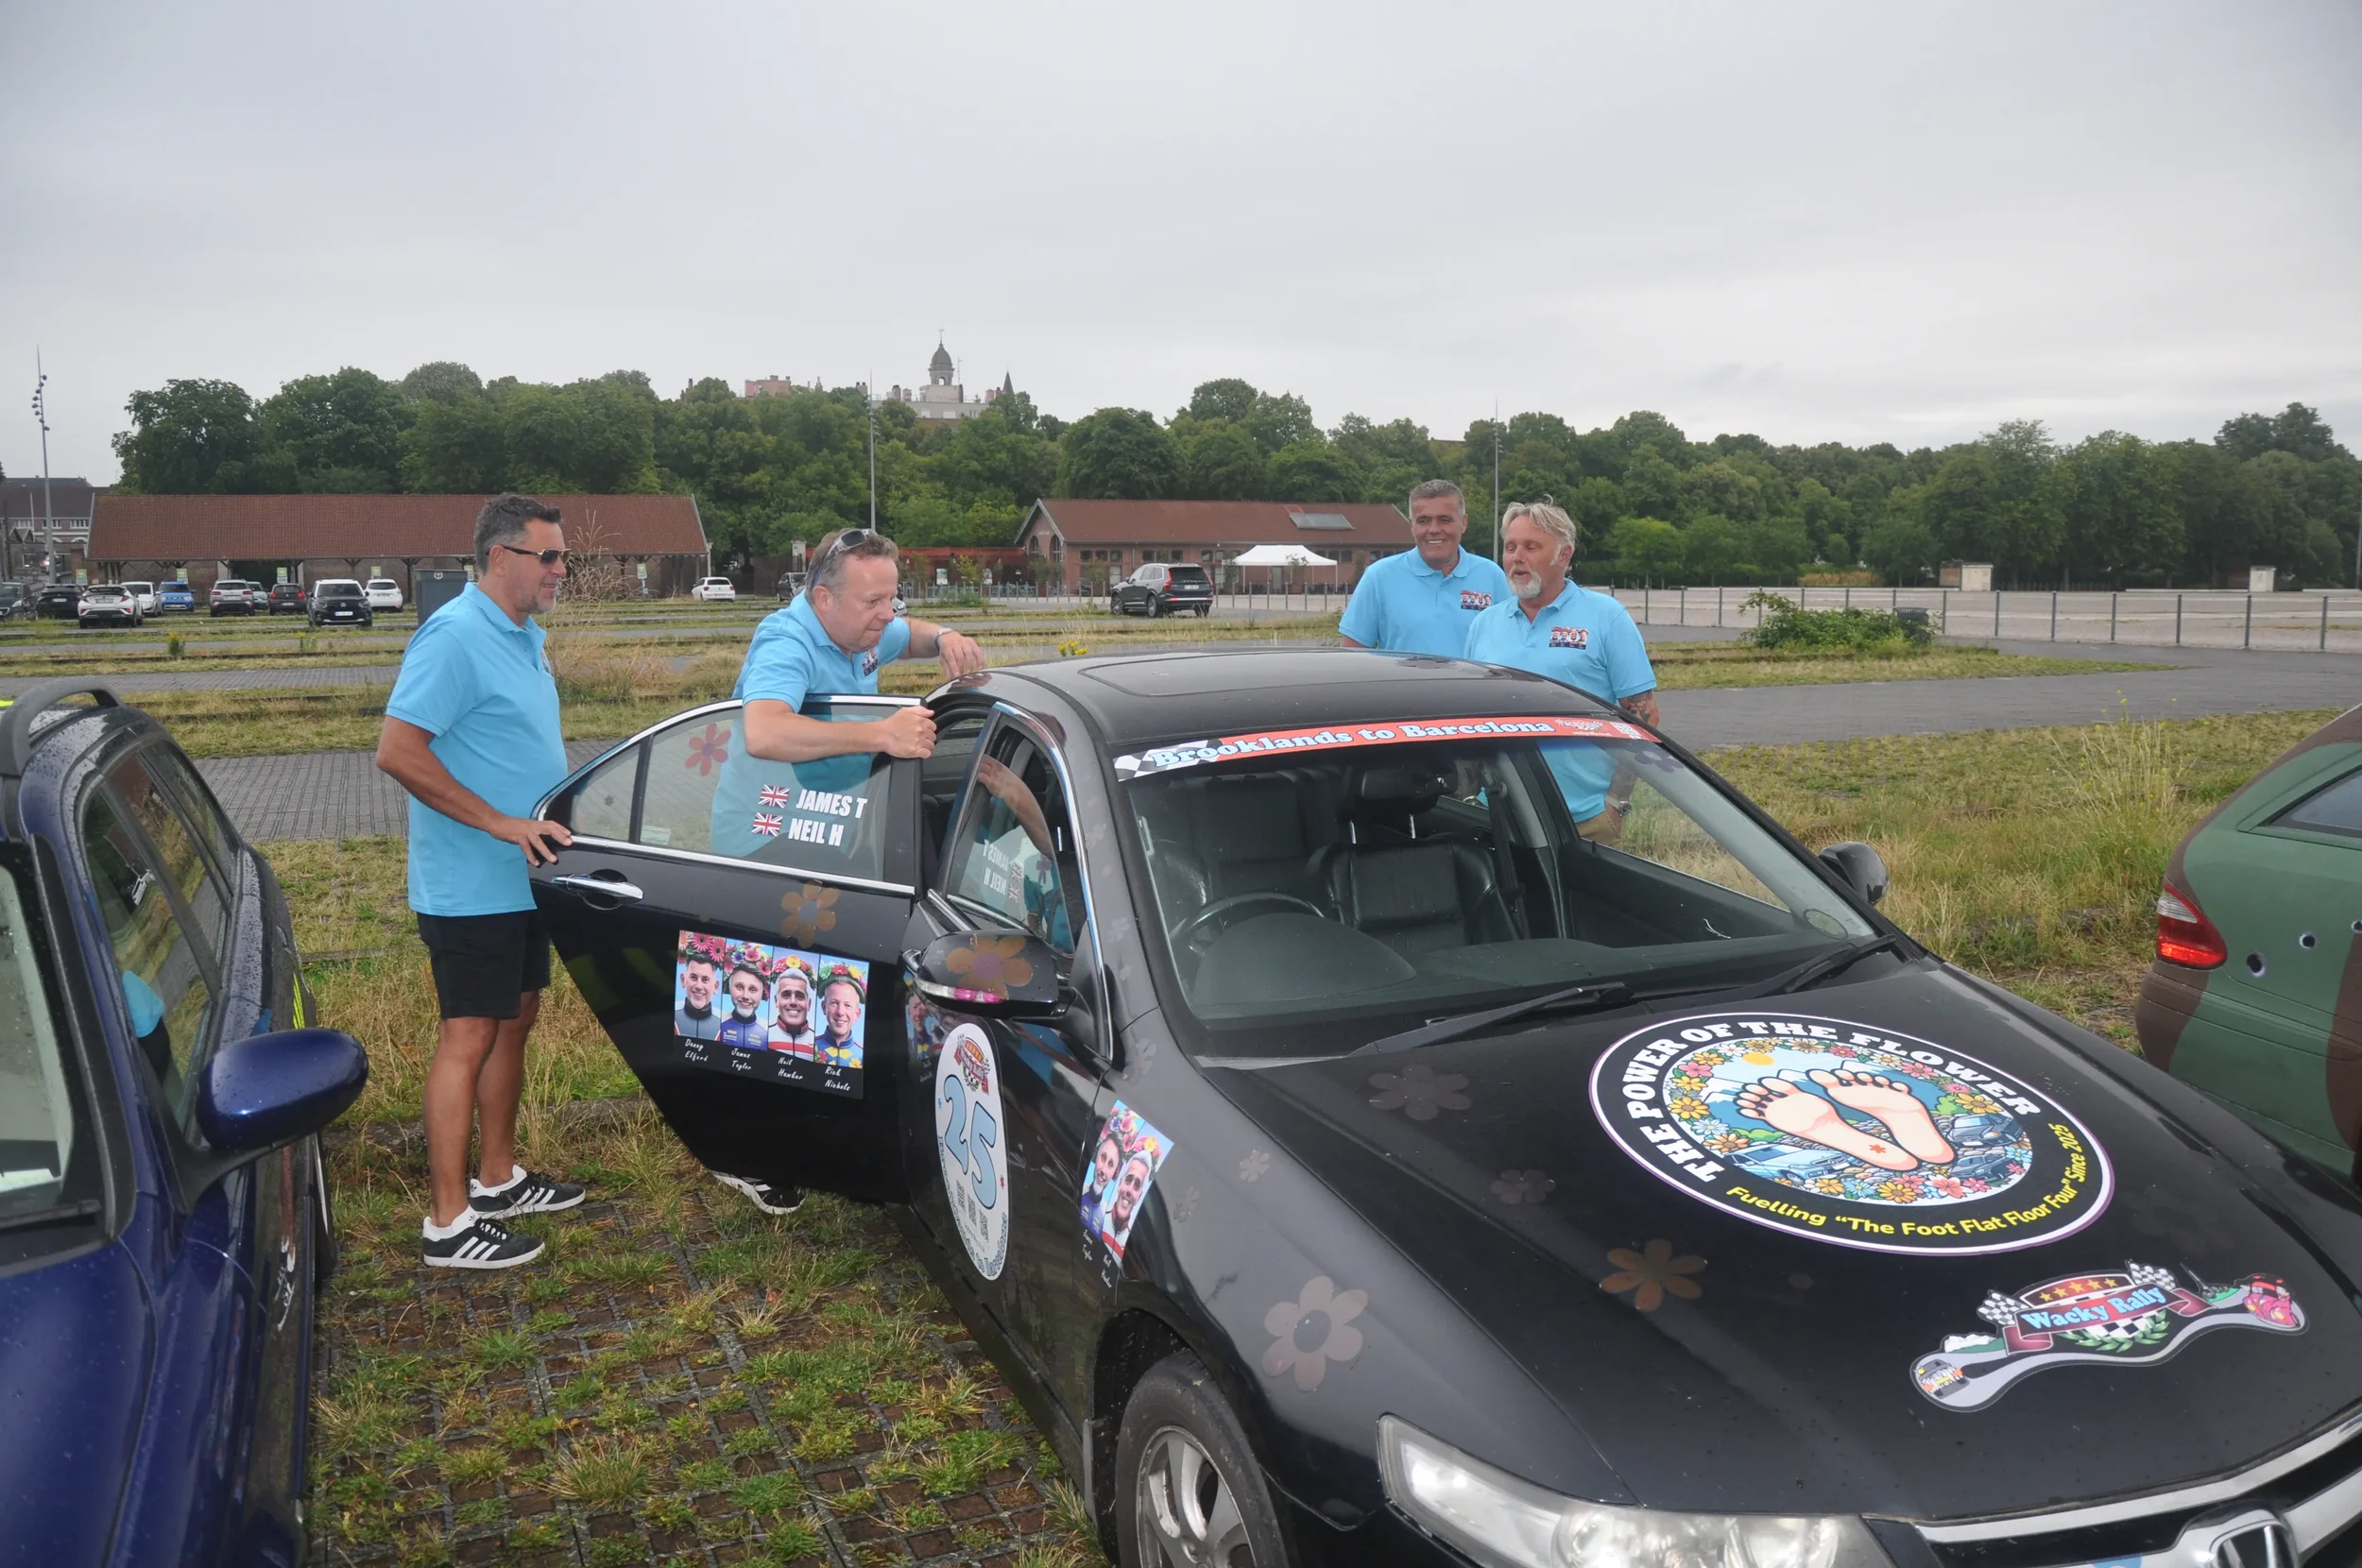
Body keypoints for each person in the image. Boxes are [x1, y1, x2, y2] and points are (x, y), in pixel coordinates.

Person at [705, 527, 984, 1216]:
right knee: (776, 994)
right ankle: (746, 1151)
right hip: (764, 841)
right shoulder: (787, 641)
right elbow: (764, 731)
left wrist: (943, 633)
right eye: (874, 601)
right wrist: (880, 734)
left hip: (825, 830)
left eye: (893, 597)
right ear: (823, 597)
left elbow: (908, 635)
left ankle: (824, 1124)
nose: (887, 614)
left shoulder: (862, 630)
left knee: (838, 983)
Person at [377, 493, 586, 1270]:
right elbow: (398, 751)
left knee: (517, 1018)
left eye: (563, 557)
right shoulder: (455, 637)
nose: (562, 570)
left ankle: (497, 1179)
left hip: (523, 878)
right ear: (502, 558)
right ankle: (448, 1222)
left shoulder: (523, 635)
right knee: (467, 1033)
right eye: (550, 556)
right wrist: (500, 823)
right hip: (471, 881)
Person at [1461, 501, 1661, 841]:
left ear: (1564, 556)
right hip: (1498, 811)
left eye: (1531, 546)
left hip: (1584, 817)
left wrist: (1617, 800)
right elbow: (1465, 717)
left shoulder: (1606, 617)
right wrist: (1469, 793)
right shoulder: (1485, 624)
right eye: (1510, 547)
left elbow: (1643, 717)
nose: (1516, 557)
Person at [1338, 480, 1515, 656]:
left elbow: (1509, 648)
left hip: (1473, 685)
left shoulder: (1492, 577)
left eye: (1445, 520)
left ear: (1463, 523)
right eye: (1423, 521)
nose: (1434, 529)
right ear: (1412, 526)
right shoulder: (1378, 577)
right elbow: (1351, 657)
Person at [716, 958, 770, 1048]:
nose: (745, 996)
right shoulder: (716, 1022)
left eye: (753, 989)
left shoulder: (769, 1030)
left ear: (762, 994)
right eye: (739, 987)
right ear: (729, 988)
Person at [818, 969, 865, 1067]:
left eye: (847, 1005)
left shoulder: (863, 1054)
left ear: (857, 1014)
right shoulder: (810, 1046)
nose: (840, 1012)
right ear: (823, 1007)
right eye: (834, 1003)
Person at [768, 961, 816, 1056]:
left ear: (809, 1004)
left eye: (800, 996)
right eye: (786, 995)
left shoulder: (818, 1043)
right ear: (776, 1001)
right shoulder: (765, 1036)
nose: (793, 1002)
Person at [676, 952, 724, 1041]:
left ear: (716, 986)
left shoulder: (724, 1024)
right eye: (693, 977)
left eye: (705, 980)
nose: (698, 986)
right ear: (683, 980)